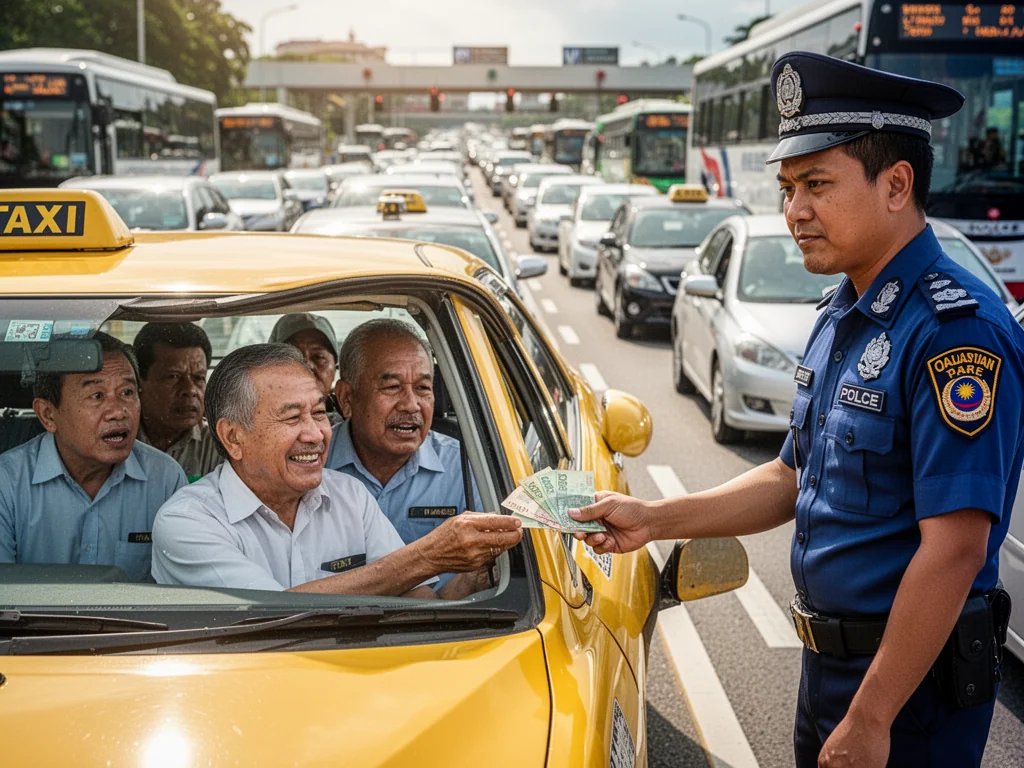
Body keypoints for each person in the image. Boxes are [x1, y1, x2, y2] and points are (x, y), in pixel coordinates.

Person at [570, 52, 1024, 768]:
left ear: (897, 185)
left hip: (906, 694)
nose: (794, 211)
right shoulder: (844, 311)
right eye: (787, 188)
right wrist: (654, 521)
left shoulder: (954, 333)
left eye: (816, 184)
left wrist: (873, 717)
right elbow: (791, 476)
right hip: (828, 674)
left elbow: (957, 549)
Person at [152, 343, 521, 596]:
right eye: (292, 417)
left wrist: (473, 578)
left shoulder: (349, 495)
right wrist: (426, 556)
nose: (314, 434)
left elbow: (419, 599)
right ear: (233, 437)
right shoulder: (186, 522)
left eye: (317, 413)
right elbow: (270, 615)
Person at [0, 332, 187, 581]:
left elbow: (181, 591)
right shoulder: (7, 483)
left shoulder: (165, 479)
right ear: (47, 415)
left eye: (128, 393)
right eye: (97, 396)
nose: (119, 412)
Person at [327, 319, 489, 597]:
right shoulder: (310, 467)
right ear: (346, 399)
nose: (411, 404)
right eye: (392, 388)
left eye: (424, 388)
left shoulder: (469, 468)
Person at [133, 322, 221, 481]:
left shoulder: (220, 447)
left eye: (198, 378)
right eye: (173, 377)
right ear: (139, 382)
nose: (190, 390)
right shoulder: (117, 441)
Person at [269, 312, 343, 424]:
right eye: (293, 356)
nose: (307, 366)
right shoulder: (253, 419)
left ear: (335, 367)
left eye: (318, 357)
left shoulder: (354, 422)